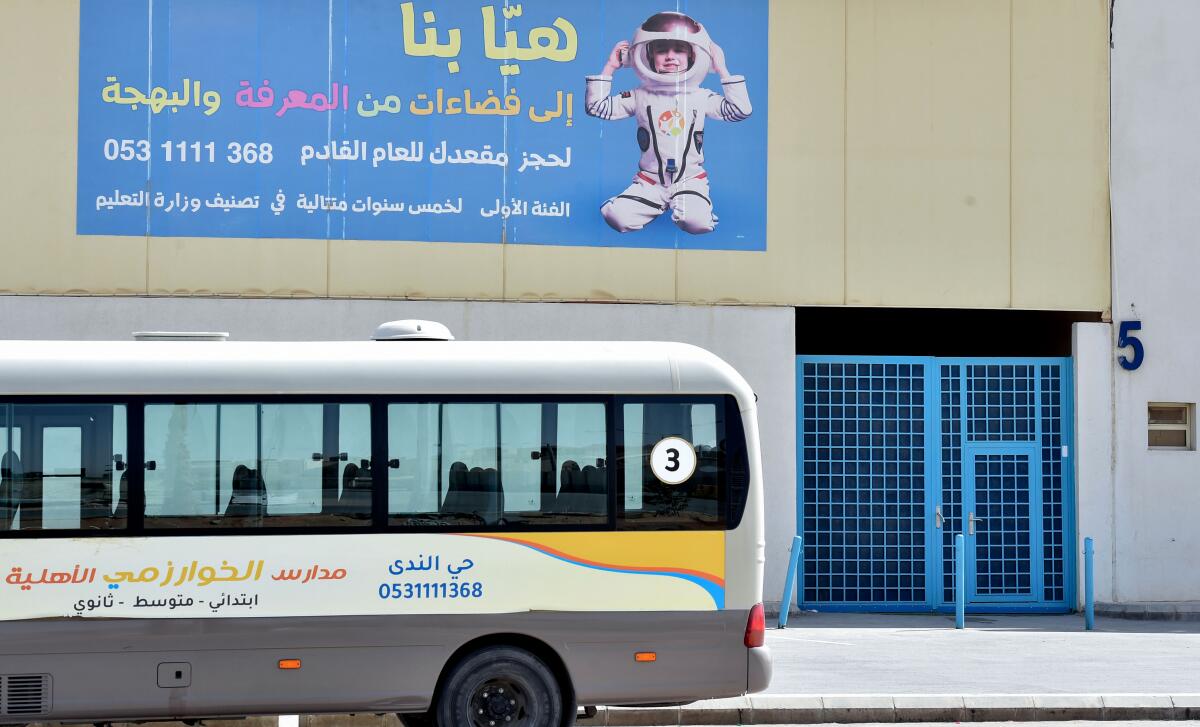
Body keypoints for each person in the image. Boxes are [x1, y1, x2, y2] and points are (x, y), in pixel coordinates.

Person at [585, 11, 752, 235]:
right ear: (648, 57)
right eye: (661, 50)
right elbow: (598, 107)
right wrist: (610, 67)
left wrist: (721, 68)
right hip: (650, 182)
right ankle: (639, 203)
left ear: (694, 56)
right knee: (618, 218)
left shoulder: (700, 97)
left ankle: (694, 207)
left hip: (690, 181)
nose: (670, 57)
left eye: (679, 50)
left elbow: (740, 110)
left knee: (697, 224)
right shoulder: (638, 95)